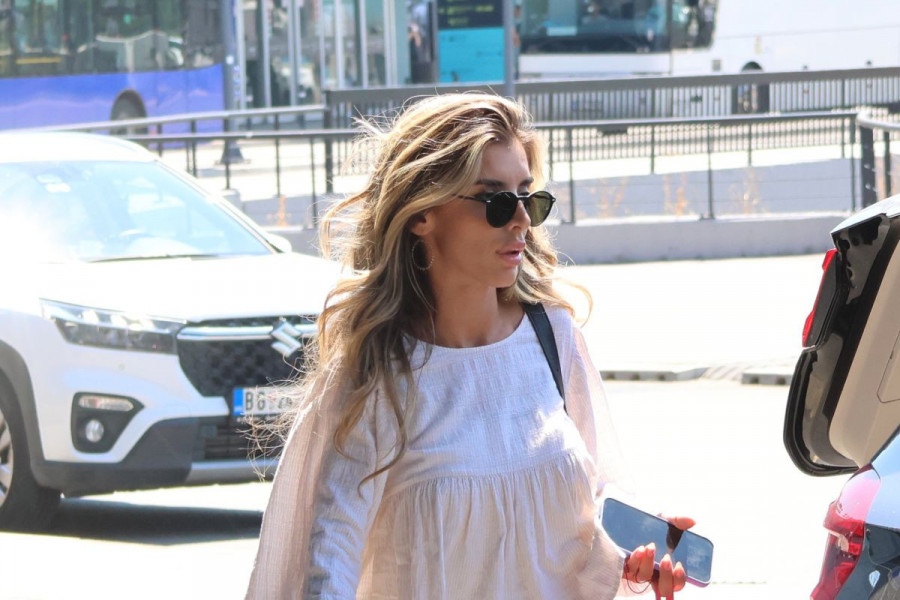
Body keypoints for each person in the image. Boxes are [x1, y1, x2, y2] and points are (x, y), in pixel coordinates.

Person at [246, 93, 695, 599]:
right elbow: (330, 560)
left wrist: (639, 551)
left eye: (529, 198)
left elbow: (599, 491)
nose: (521, 220)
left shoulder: (554, 336)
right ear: (422, 213)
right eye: (496, 202)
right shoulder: (379, 373)